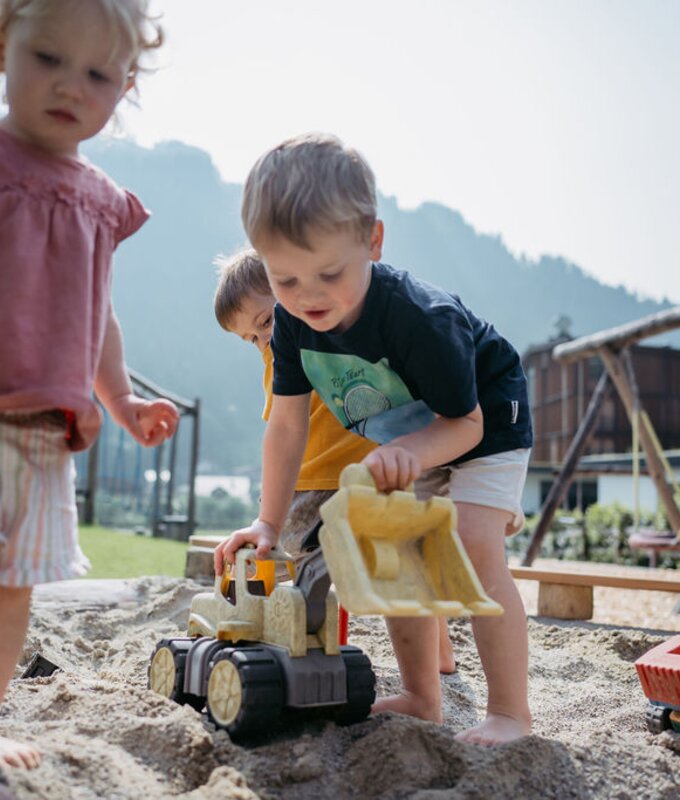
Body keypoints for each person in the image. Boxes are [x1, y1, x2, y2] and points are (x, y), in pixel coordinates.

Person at [213, 132, 534, 747]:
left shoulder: (421, 317)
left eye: (329, 274)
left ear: (373, 242)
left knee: (471, 542)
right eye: (284, 280)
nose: (308, 297)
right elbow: (286, 424)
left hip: (485, 416)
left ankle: (510, 714)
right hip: (415, 433)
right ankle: (420, 695)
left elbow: (465, 424)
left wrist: (410, 453)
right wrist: (268, 524)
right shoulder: (292, 325)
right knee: (394, 548)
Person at [0, 0, 178, 769]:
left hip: (47, 438)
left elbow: (95, 312)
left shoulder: (101, 200)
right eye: (47, 58)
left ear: (124, 87)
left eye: (98, 73)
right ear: (4, 42)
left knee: (13, 593)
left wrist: (123, 401)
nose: (70, 85)